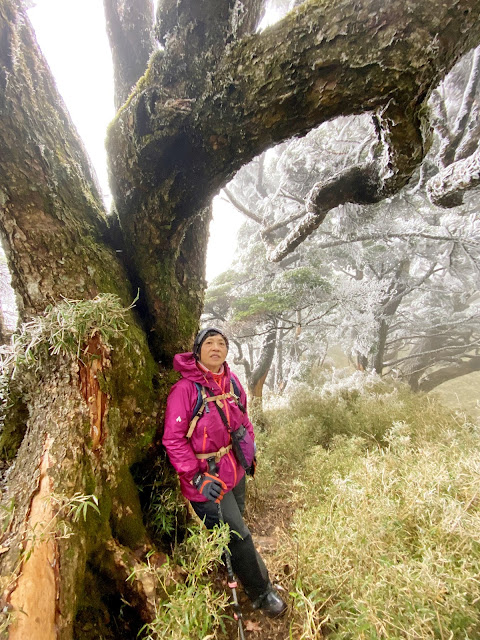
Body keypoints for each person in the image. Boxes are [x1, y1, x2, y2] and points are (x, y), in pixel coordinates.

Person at [163, 327, 287, 617]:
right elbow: (173, 439)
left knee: (233, 530)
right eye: (209, 343)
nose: (216, 347)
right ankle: (261, 593)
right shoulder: (185, 390)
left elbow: (243, 420)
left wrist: (249, 453)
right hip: (206, 481)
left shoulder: (231, 382)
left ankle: (235, 566)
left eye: (221, 343)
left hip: (234, 470)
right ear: (198, 350)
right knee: (239, 535)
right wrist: (195, 477)